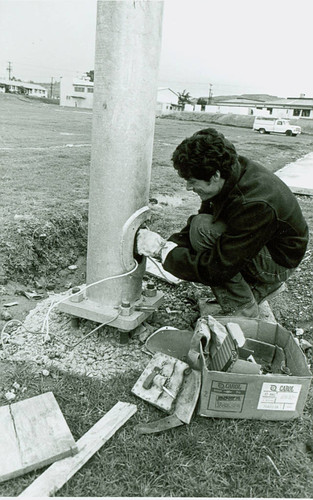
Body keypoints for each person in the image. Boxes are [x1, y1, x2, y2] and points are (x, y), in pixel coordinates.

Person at [136, 128, 309, 317]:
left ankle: (242, 310)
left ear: (215, 176)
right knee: (201, 226)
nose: (188, 187)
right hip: (268, 244)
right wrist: (171, 244)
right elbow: (201, 219)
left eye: (192, 181)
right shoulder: (230, 173)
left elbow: (218, 268)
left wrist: (163, 252)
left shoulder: (254, 203)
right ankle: (257, 290)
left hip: (279, 261)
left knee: (203, 232)